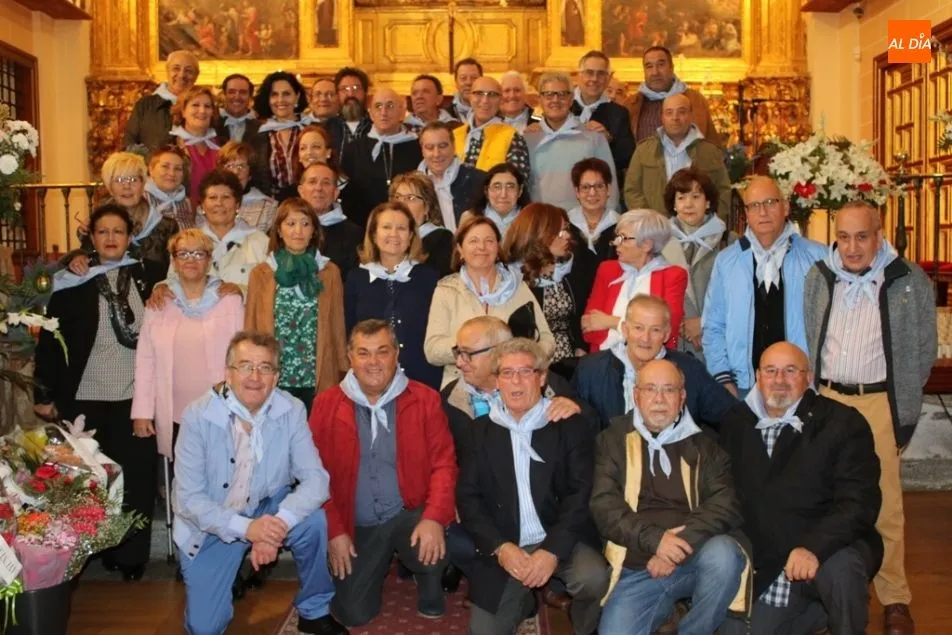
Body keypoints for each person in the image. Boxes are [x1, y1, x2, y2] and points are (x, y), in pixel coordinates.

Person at [803, 201, 936, 635]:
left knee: (885, 504)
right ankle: (840, 587)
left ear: (879, 236)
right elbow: (809, 334)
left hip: (878, 401)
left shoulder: (908, 280)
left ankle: (895, 597)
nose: (853, 247)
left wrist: (902, 401)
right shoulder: (819, 277)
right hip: (828, 398)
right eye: (844, 237)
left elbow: (923, 349)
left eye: (862, 237)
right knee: (825, 497)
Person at [173, 331, 348, 635]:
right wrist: (248, 529)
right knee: (205, 629)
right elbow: (189, 501)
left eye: (265, 367)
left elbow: (317, 479)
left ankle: (314, 609)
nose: (255, 377)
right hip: (211, 524)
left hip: (267, 506)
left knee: (314, 522)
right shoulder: (197, 416)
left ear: (276, 377)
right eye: (245, 366)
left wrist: (275, 526)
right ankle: (230, 571)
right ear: (228, 373)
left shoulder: (291, 409)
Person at [35, 204, 166, 581]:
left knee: (137, 479)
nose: (111, 238)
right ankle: (88, 552)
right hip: (84, 396)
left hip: (136, 400)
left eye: (118, 231)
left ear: (130, 237)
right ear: (91, 238)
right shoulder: (71, 282)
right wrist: (43, 394)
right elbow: (50, 342)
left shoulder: (151, 276)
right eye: (103, 231)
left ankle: (131, 556)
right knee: (89, 482)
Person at [718, 342, 883, 635]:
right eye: (771, 371)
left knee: (841, 569)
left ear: (808, 377)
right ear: (758, 376)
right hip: (770, 562)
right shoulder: (735, 423)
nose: (779, 379)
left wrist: (813, 547)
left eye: (790, 371)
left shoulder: (844, 422)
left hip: (829, 547)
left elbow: (859, 502)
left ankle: (844, 615)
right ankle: (819, 611)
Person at [309, 320, 458, 626]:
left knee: (432, 540)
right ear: (350, 357)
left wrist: (434, 517)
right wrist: (334, 531)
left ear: (396, 355)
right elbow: (314, 476)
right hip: (357, 522)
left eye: (382, 351)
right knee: (353, 613)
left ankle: (429, 578)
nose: (373, 361)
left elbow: (444, 464)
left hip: (410, 513)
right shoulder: (325, 405)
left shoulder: (425, 399)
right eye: (363, 353)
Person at [457, 338, 609, 635]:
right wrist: (501, 548)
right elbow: (469, 499)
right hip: (507, 542)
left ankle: (585, 626)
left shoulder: (568, 425)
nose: (516, 381)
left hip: (560, 536)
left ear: (541, 378)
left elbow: (581, 494)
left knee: (592, 578)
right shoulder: (478, 432)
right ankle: (524, 600)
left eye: (525, 371)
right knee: (482, 632)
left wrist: (551, 551)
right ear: (496, 381)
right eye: (507, 373)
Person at [592, 358, 748, 635]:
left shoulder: (705, 446)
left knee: (725, 555)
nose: (659, 399)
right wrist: (656, 541)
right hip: (638, 565)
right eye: (650, 389)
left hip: (694, 557)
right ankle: (667, 610)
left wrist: (675, 547)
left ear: (682, 397)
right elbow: (605, 506)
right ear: (636, 395)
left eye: (669, 389)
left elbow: (725, 504)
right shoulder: (613, 440)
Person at [702, 176, 825, 398]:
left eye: (770, 203)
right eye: (754, 205)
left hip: (801, 385)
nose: (763, 212)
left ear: (785, 207)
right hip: (743, 387)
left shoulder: (818, 257)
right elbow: (713, 325)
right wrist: (723, 376)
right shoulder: (727, 261)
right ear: (746, 214)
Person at [131, 229, 244, 465]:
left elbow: (243, 358)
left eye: (198, 253)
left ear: (209, 260)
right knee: (181, 477)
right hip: (175, 413)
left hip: (221, 410)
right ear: (173, 261)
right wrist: (142, 412)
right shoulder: (158, 303)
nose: (191, 259)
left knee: (222, 472)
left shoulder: (230, 301)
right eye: (183, 253)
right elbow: (145, 362)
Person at [424, 215, 555, 386]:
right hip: (462, 384)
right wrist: (473, 346)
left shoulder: (517, 286)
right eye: (473, 241)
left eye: (489, 241)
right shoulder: (446, 290)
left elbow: (547, 339)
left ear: (498, 247)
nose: (482, 247)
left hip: (514, 382)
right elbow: (432, 350)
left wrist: (523, 355)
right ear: (460, 249)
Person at [573, 294, 737, 430]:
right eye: (638, 328)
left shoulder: (690, 370)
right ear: (625, 330)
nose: (645, 338)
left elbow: (733, 417)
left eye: (655, 330)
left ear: (666, 334)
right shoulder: (590, 370)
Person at [246, 198, 348, 411]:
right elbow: (251, 327)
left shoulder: (329, 272)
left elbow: (338, 325)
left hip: (316, 374)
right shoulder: (262, 273)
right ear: (279, 230)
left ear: (314, 231)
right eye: (290, 223)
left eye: (305, 223)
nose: (298, 231)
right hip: (275, 375)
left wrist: (342, 369)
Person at [345, 201, 442, 388]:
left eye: (401, 228)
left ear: (411, 235)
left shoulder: (429, 277)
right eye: (386, 227)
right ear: (374, 234)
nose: (394, 234)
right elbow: (349, 331)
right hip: (371, 380)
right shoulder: (356, 278)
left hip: (422, 380)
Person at [504, 203, 596, 379]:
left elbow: (580, 316)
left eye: (566, 229)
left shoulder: (571, 268)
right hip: (532, 366)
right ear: (538, 235)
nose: (567, 236)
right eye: (559, 232)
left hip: (572, 362)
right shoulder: (512, 279)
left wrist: (581, 348)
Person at [582, 209, 687, 351]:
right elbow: (589, 325)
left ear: (646, 245)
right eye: (617, 237)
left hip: (651, 360)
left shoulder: (673, 276)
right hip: (605, 358)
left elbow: (667, 330)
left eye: (623, 238)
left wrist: (612, 322)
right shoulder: (607, 270)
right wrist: (639, 328)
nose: (616, 243)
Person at [67, 151, 180, 275]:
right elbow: (85, 256)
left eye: (133, 179)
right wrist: (78, 258)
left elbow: (176, 270)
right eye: (119, 180)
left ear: (143, 183)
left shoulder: (167, 226)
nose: (127, 186)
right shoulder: (98, 221)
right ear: (110, 187)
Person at [624, 93, 730, 219]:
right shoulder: (644, 150)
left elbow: (723, 191)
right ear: (662, 117)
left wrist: (709, 222)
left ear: (691, 115)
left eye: (681, 112)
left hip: (700, 228)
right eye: (669, 112)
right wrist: (650, 221)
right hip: (654, 227)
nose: (675, 117)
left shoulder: (710, 151)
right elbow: (632, 191)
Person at [524, 72, 618, 212]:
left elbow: (609, 185)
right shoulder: (529, 139)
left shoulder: (593, 137)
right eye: (548, 94)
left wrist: (609, 219)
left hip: (584, 220)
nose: (555, 100)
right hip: (541, 219)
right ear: (540, 100)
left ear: (571, 99)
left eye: (562, 94)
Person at [664, 167, 729, 359]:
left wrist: (703, 322)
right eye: (681, 198)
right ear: (673, 204)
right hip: (672, 342)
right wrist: (679, 324)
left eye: (695, 197)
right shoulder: (659, 241)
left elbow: (737, 295)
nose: (688, 204)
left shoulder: (728, 241)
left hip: (715, 342)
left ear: (708, 202)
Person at [340, 87, 422, 229]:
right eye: (378, 106)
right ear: (371, 114)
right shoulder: (353, 149)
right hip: (363, 227)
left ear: (402, 112)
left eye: (390, 106)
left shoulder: (417, 148)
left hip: (406, 227)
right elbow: (347, 196)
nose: (383, 112)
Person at [190, 169, 270, 293]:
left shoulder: (260, 242)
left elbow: (270, 289)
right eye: (212, 197)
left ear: (237, 205)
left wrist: (241, 291)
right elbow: (173, 282)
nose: (219, 203)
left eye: (226, 197)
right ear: (203, 206)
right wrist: (162, 287)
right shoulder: (189, 242)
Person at [570, 50, 636, 193]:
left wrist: (608, 140)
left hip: (602, 190)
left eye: (600, 74)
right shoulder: (562, 106)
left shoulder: (619, 113)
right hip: (564, 185)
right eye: (589, 72)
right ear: (579, 75)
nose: (594, 79)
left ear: (608, 78)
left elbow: (627, 158)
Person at [630, 46, 719, 144]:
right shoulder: (631, 104)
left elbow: (712, 143)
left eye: (661, 65)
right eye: (649, 66)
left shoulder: (696, 100)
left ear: (671, 67)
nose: (655, 72)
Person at [453, 76, 531, 179]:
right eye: (479, 93)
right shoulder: (453, 136)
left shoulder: (512, 137)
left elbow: (515, 182)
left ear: (500, 100)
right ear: (470, 97)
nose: (485, 100)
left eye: (492, 94)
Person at [248, 71, 310, 199]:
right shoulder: (257, 135)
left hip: (309, 203)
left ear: (297, 96)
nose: (280, 100)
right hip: (271, 205)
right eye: (274, 94)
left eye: (286, 94)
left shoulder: (311, 129)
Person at [123, 50, 199, 151]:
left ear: (196, 76)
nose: (181, 75)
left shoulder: (205, 107)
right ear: (167, 71)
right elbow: (129, 144)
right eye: (176, 68)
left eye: (188, 71)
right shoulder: (145, 105)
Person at [298, 162, 363, 280]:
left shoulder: (354, 235)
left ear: (336, 193)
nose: (318, 188)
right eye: (312, 182)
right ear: (301, 191)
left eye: (326, 183)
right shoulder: (285, 229)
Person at [418, 121, 485, 232]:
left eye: (442, 146)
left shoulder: (478, 180)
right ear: (422, 151)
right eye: (430, 147)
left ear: (454, 146)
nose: (436, 154)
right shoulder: (414, 187)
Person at [389, 172, 454, 278]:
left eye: (410, 198)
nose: (401, 203)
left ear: (427, 206)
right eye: (397, 197)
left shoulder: (442, 239)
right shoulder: (384, 237)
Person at [169, 86, 222, 208]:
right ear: (183, 111)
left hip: (216, 212)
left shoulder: (221, 144)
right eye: (195, 105)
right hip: (182, 212)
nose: (202, 111)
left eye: (207, 106)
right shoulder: (170, 144)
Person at [217, 141, 279, 232]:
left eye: (241, 166)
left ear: (250, 174)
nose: (235, 172)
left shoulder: (268, 207)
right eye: (229, 166)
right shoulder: (209, 205)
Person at [567, 157, 619, 263]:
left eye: (599, 186)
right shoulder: (566, 225)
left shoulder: (621, 226)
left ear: (608, 189)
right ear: (577, 192)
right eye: (585, 187)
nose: (592, 193)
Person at [460, 162, 530, 239]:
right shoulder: (470, 218)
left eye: (510, 187)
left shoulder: (531, 221)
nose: (503, 195)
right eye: (497, 187)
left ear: (520, 191)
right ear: (486, 191)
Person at [146, 145, 195, 231]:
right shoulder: (141, 200)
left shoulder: (187, 203)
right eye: (165, 166)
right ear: (151, 169)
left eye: (178, 168)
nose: (172, 173)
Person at [326, 67, 373, 156]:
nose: (351, 94)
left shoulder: (377, 127)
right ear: (337, 94)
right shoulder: (326, 129)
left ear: (365, 92)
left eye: (356, 88)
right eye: (344, 89)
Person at [216, 73, 259, 143]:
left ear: (250, 96)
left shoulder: (263, 128)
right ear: (223, 95)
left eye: (243, 92)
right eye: (231, 92)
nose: (237, 97)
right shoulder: (211, 124)